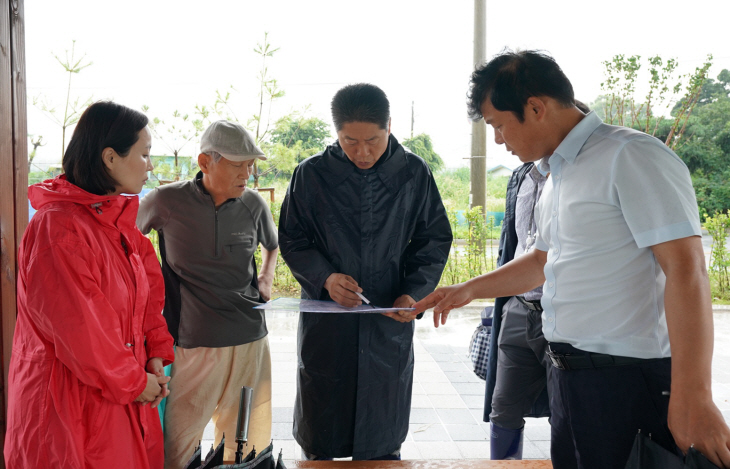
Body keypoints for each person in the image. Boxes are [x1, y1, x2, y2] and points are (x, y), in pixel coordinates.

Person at [414, 50, 730, 469]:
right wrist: (468, 289)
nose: (498, 140)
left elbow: (687, 270)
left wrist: (695, 395)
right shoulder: (556, 173)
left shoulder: (631, 156)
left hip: (628, 381)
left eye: (498, 125)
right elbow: (543, 259)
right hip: (567, 375)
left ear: (535, 108)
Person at [278, 83, 453, 460]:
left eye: (372, 140)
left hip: (387, 317)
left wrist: (413, 292)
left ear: (389, 126)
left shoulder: (412, 173)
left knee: (381, 439)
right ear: (336, 132)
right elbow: (292, 239)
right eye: (349, 141)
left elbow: (433, 239)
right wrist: (325, 278)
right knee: (321, 434)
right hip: (329, 325)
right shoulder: (311, 175)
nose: (362, 152)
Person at [5, 101, 174, 469]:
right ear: (110, 158)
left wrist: (155, 354)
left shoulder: (116, 223)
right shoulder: (59, 229)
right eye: (145, 154)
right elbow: (83, 332)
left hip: (118, 395)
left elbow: (146, 302)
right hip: (69, 407)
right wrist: (134, 380)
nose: (150, 165)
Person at [137, 120, 278, 468]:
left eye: (251, 164)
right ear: (205, 162)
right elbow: (124, 243)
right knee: (178, 440)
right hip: (191, 342)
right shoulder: (165, 201)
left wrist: (266, 277)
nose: (248, 172)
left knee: (244, 441)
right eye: (238, 163)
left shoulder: (254, 204)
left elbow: (273, 246)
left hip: (249, 339)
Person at [484, 99, 591, 460]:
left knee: (568, 413)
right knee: (503, 407)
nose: (501, 140)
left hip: (564, 311)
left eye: (500, 126)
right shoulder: (522, 175)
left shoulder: (586, 174)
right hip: (519, 305)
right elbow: (517, 246)